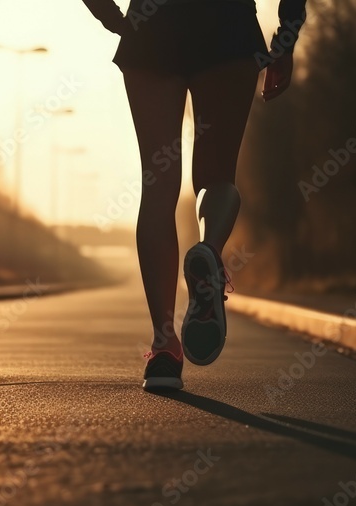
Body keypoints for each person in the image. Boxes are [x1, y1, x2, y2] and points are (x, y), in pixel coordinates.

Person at [81, 0, 307, 391]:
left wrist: (109, 14)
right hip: (228, 27)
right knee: (216, 177)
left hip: (152, 28)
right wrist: (286, 34)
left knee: (158, 185)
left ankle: (164, 347)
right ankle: (209, 251)